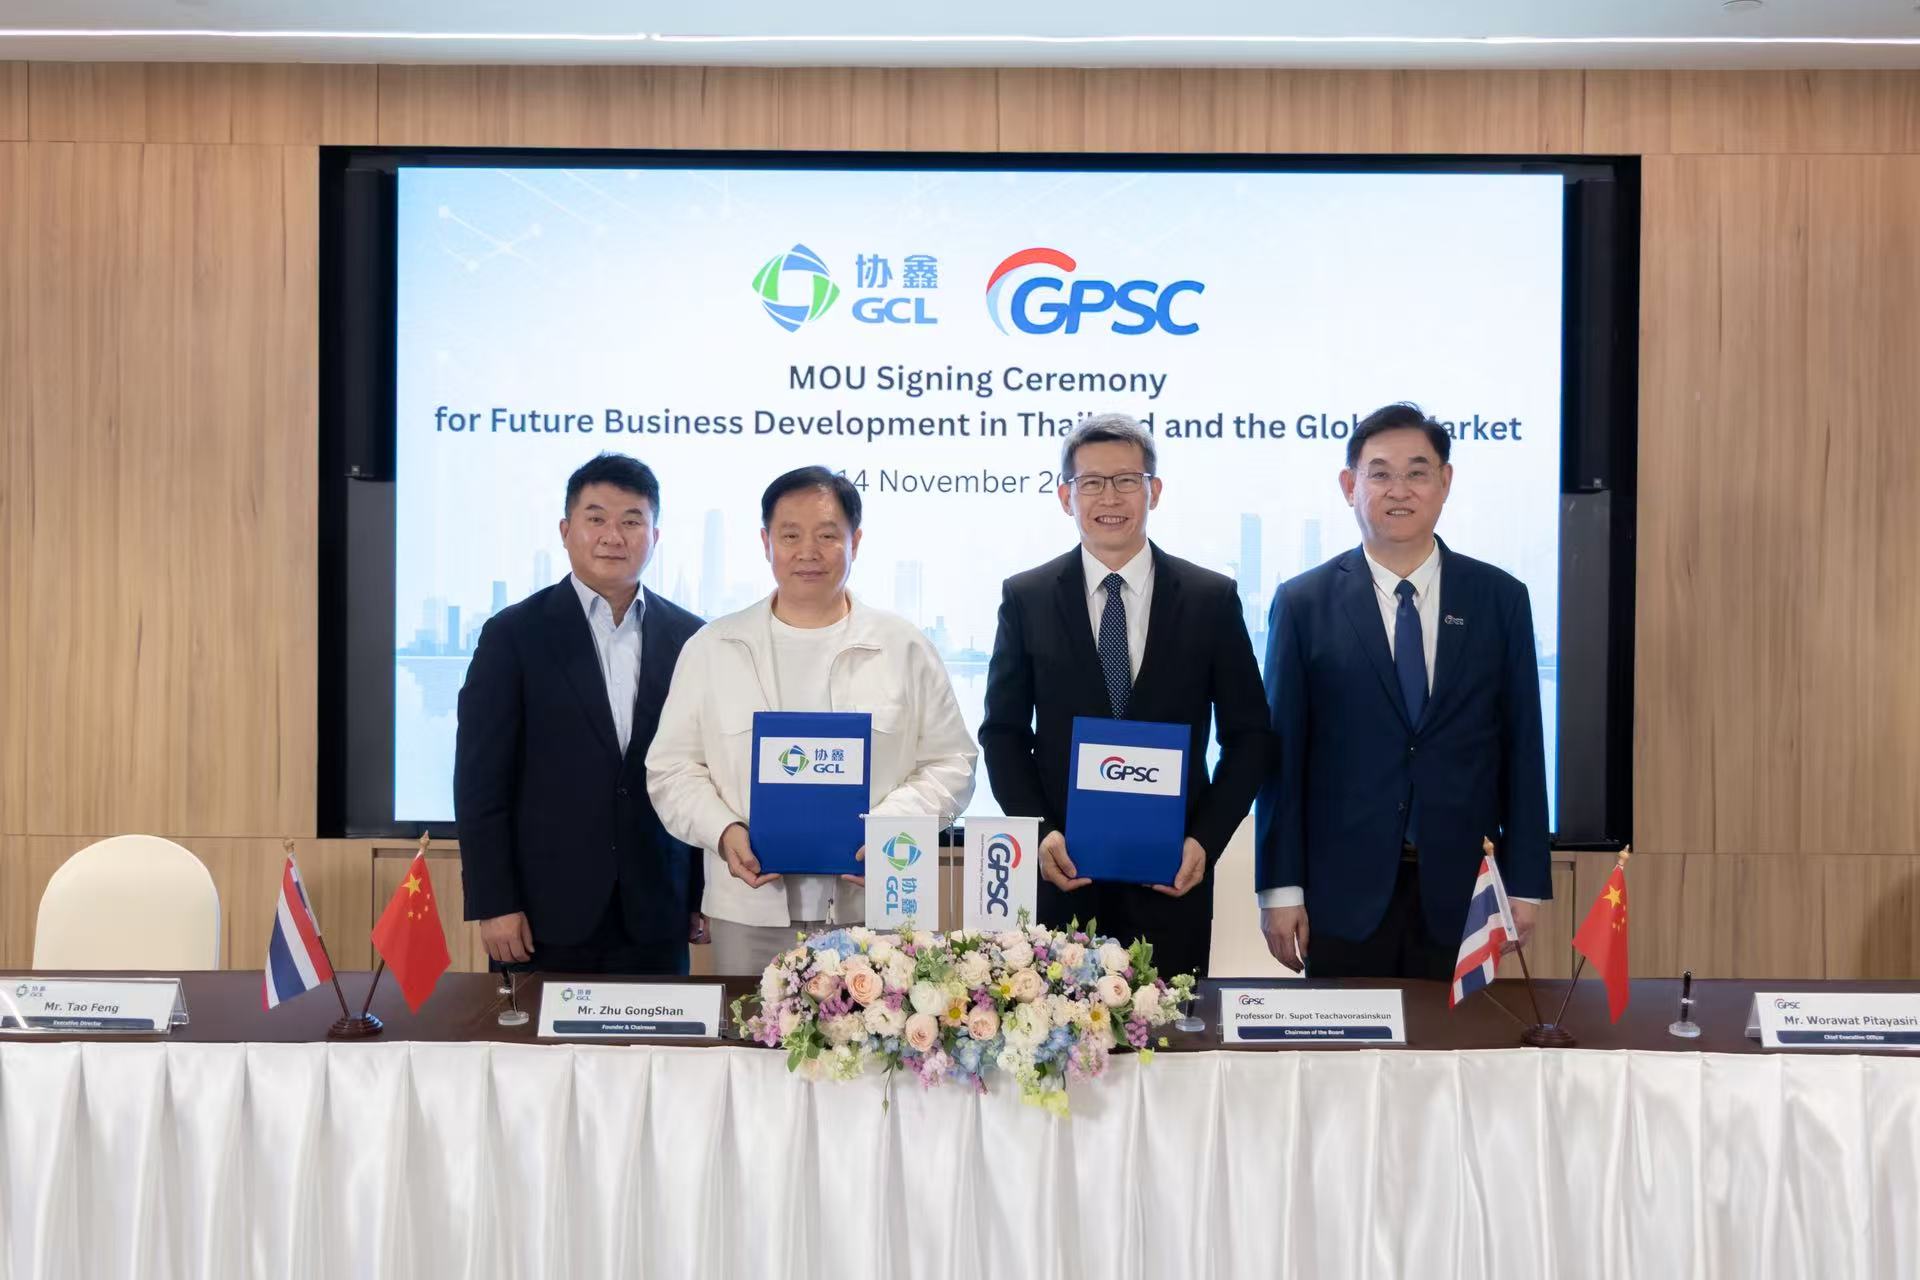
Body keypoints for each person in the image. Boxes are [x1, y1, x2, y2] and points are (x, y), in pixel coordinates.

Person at [1255, 402, 1550, 978]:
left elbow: (1523, 749)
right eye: (1380, 473)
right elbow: (1282, 760)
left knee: (1458, 1039)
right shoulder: (1303, 603)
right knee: (1346, 1039)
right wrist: (1280, 889)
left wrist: (1526, 883)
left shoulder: (1500, 599)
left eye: (1418, 472)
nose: (1400, 490)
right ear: (1350, 486)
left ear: (1445, 482)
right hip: (1340, 894)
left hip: (1466, 893)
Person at [646, 466, 977, 977]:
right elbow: (671, 769)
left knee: (878, 1029)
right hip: (748, 909)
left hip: (877, 905)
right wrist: (723, 829)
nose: (808, 552)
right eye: (790, 536)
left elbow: (952, 762)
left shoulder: (903, 647)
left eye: (827, 536)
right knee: (750, 1028)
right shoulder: (712, 648)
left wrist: (891, 828)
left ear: (855, 542)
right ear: (765, 543)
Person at [979, 413, 1269, 980]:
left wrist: (1204, 840)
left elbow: (1251, 737)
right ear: (1066, 496)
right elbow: (1003, 733)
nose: (1109, 497)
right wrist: (1039, 832)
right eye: (1090, 482)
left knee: (1170, 1031)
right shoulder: (1026, 597)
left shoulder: (1210, 598)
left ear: (1153, 491)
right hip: (1063, 879)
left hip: (1172, 881)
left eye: (1126, 480)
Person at [455, 453, 708, 975]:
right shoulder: (513, 635)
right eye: (596, 519)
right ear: (566, 531)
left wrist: (701, 894)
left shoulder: (692, 637)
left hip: (657, 910)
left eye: (632, 521)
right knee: (534, 1034)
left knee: (660, 1034)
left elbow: (706, 771)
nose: (613, 536)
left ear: (654, 536)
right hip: (543, 915)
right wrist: (494, 902)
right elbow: (480, 782)